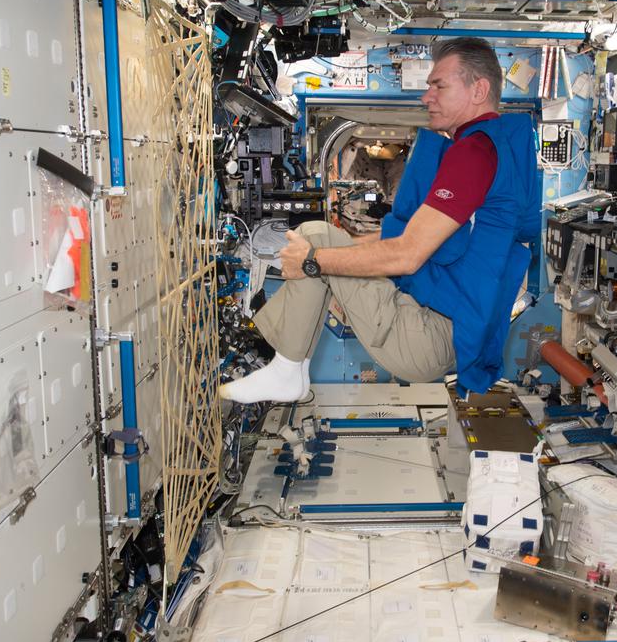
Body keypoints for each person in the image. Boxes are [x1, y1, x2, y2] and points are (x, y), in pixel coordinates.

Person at [219, 37, 540, 404]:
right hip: (459, 335)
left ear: (478, 90)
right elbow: (417, 240)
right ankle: (288, 368)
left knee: (314, 236)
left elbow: (407, 255)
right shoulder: (501, 147)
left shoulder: (474, 152)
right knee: (321, 241)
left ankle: (286, 370)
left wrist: (312, 261)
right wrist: (334, 254)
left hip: (429, 336)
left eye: (439, 86)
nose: (427, 97)